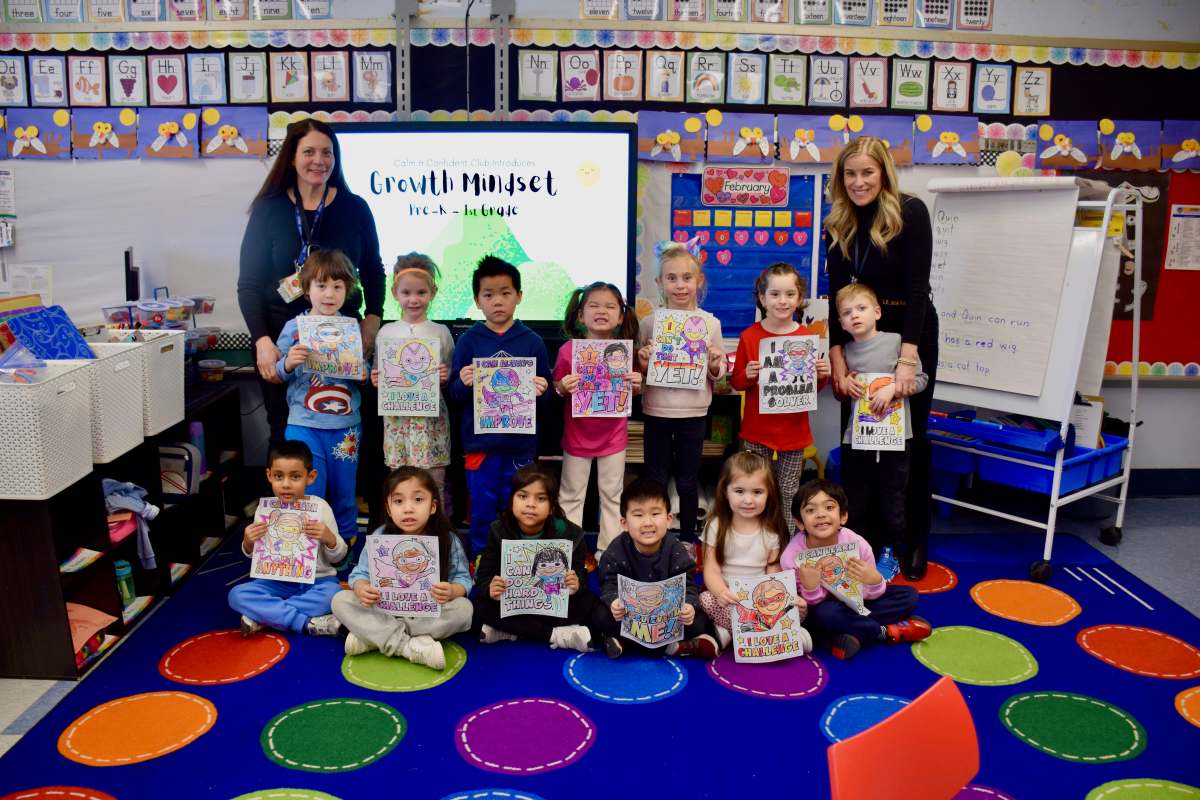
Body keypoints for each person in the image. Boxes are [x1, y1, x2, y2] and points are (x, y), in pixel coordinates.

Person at [825, 135, 937, 581]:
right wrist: (836, 358)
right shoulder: (839, 221)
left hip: (910, 335)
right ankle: (862, 540)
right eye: (850, 174)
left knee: (910, 442)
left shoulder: (910, 212)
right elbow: (836, 295)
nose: (858, 182)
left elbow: (916, 291)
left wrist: (907, 361)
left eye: (867, 172)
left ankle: (912, 539)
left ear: (884, 173)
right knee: (859, 439)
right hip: (859, 337)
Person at [237, 119, 384, 448]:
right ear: (291, 157)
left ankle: (344, 500)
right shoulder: (269, 209)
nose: (319, 160)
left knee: (346, 430)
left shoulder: (354, 207)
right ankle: (292, 501)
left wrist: (373, 318)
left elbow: (374, 269)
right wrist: (262, 341)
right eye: (309, 152)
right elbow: (248, 284)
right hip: (282, 341)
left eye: (327, 153)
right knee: (285, 431)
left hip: (343, 338)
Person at [447, 256, 551, 556]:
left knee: (521, 509)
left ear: (519, 296)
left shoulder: (532, 341)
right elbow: (453, 394)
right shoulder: (469, 341)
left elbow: (545, 400)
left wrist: (542, 391)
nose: (498, 302)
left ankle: (520, 562)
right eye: (488, 295)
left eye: (506, 293)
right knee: (481, 508)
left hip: (521, 447)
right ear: (477, 301)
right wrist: (462, 383)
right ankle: (482, 561)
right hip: (481, 446)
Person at [331, 467, 472, 670]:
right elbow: (360, 574)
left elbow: (463, 579)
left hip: (426, 614)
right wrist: (362, 587)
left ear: (433, 507)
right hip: (384, 610)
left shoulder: (448, 539)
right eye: (398, 501)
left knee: (464, 610)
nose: (408, 509)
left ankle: (373, 638)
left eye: (418, 500)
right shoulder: (380, 536)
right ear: (388, 508)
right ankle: (408, 646)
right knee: (340, 600)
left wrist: (453, 591)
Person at [636, 239, 726, 542]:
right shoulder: (650, 323)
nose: (680, 285)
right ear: (660, 282)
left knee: (688, 481)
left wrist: (715, 361)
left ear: (698, 280)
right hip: (657, 410)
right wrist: (644, 361)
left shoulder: (710, 323)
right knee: (656, 479)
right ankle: (655, 538)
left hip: (693, 412)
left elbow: (719, 373)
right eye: (671, 278)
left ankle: (688, 540)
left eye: (687, 278)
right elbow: (640, 371)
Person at [782, 479, 930, 660]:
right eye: (810, 510)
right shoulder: (792, 556)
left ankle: (849, 634)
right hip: (824, 609)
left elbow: (871, 595)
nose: (820, 515)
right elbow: (804, 606)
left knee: (909, 595)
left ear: (843, 516)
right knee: (821, 616)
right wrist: (811, 588)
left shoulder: (858, 544)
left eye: (829, 508)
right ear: (799, 523)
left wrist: (874, 581)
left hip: (858, 603)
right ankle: (883, 631)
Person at [274, 249, 364, 542]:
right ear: (306, 288)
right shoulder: (293, 329)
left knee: (344, 491)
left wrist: (364, 373)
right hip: (304, 424)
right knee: (308, 493)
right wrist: (289, 362)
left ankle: (346, 546)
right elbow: (277, 373)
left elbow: (366, 370)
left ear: (347, 291)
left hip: (345, 426)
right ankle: (306, 551)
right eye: (321, 285)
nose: (329, 294)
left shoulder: (352, 330)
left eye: (337, 286)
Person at [730, 262, 831, 522]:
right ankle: (756, 536)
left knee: (789, 491)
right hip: (757, 432)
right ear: (762, 299)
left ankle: (785, 543)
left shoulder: (806, 337)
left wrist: (821, 376)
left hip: (793, 433)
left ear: (799, 299)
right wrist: (748, 376)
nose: (782, 301)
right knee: (755, 489)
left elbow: (810, 390)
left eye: (790, 294)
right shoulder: (749, 337)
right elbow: (737, 382)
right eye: (775, 294)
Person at [835, 282, 928, 559]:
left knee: (893, 498)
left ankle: (889, 552)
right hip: (857, 438)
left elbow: (921, 380)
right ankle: (859, 554)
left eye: (861, 308)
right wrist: (845, 387)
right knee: (856, 499)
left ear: (876, 312)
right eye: (847, 312)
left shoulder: (897, 342)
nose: (855, 315)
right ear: (840, 322)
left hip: (896, 438)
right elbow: (841, 394)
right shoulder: (845, 353)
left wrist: (893, 388)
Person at [471, 465, 603, 653]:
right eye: (523, 496)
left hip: (550, 605)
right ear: (512, 501)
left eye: (540, 499)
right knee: (477, 608)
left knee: (589, 605)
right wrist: (490, 588)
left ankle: (510, 632)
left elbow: (581, 582)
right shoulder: (498, 530)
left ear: (551, 507)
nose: (530, 504)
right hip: (512, 604)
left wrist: (575, 586)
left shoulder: (570, 534)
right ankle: (555, 635)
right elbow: (483, 577)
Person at [553, 282, 642, 556]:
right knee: (570, 496)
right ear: (580, 315)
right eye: (593, 305)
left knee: (612, 497)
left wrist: (638, 384)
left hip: (613, 438)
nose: (601, 311)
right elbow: (557, 386)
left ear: (620, 316)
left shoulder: (626, 352)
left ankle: (608, 553)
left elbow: (633, 389)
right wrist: (562, 387)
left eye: (609, 306)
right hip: (577, 437)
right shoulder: (569, 351)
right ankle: (569, 553)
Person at [229, 440, 347, 638]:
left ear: (310, 477)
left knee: (334, 594)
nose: (285, 484)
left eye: (295, 477)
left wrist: (329, 539)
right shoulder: (265, 510)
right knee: (237, 595)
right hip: (276, 581)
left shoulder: (322, 508)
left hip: (317, 581)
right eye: (278, 476)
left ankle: (263, 617)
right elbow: (258, 558)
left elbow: (339, 558)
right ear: (269, 476)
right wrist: (248, 542)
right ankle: (303, 622)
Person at [697, 450, 809, 653]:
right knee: (705, 600)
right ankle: (779, 634)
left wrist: (781, 599)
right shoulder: (715, 525)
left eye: (757, 492)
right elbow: (711, 569)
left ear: (769, 493)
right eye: (739, 491)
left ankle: (731, 633)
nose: (748, 500)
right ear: (725, 491)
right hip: (730, 599)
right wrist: (721, 592)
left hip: (762, 601)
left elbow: (773, 570)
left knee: (799, 606)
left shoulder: (772, 529)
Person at [596, 478, 718, 659]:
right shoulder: (616, 549)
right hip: (631, 617)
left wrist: (688, 606)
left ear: (669, 519)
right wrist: (614, 602)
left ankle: (624, 642)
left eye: (655, 514)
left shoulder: (676, 549)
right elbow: (608, 582)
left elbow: (690, 585)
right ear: (624, 523)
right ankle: (676, 648)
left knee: (699, 622)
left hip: (666, 620)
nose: (647, 522)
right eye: (638, 515)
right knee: (599, 616)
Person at [371, 253, 454, 509]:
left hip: (430, 423)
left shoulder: (441, 332)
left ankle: (437, 533)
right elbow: (379, 371)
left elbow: (450, 370)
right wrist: (376, 378)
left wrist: (445, 374)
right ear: (395, 292)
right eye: (406, 292)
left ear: (433, 292)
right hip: (398, 422)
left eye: (421, 292)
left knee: (432, 482)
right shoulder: (386, 332)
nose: (414, 299)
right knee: (400, 480)